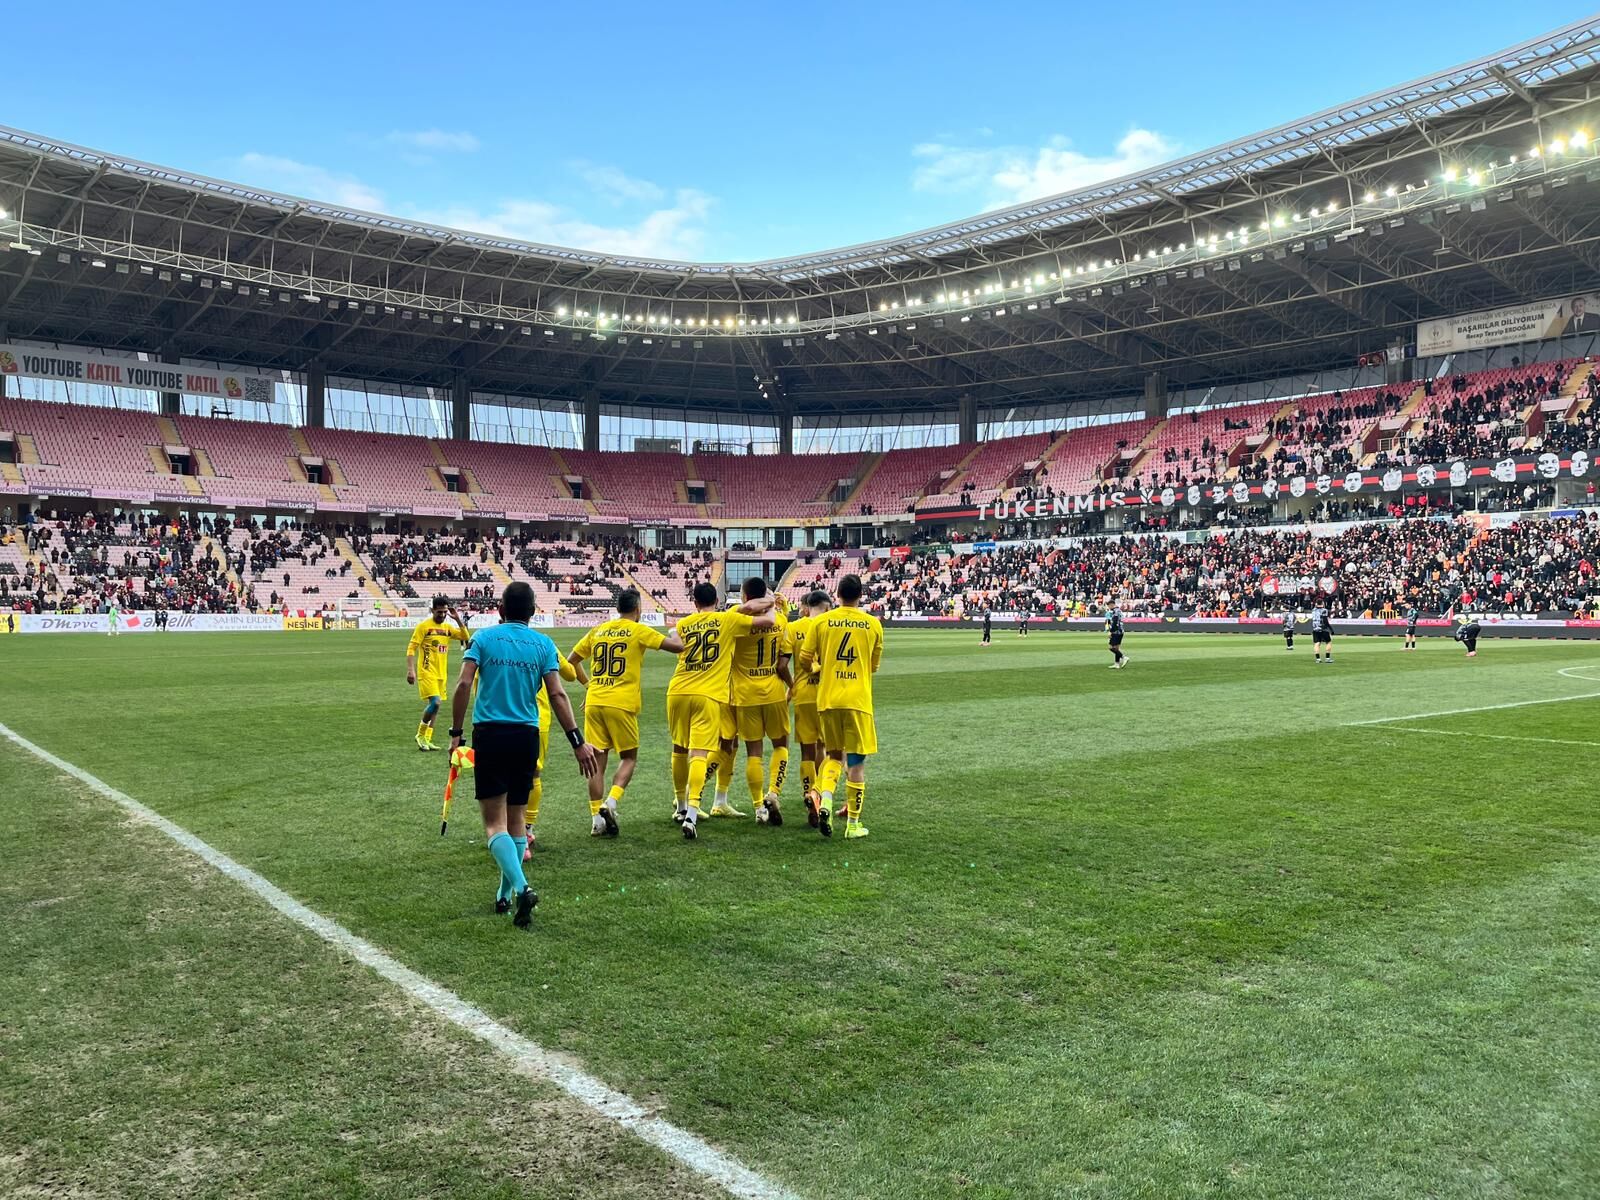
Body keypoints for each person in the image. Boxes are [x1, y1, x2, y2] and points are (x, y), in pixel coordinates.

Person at [446, 581, 596, 929]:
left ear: (500, 609)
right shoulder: (543, 644)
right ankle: (504, 896)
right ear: (532, 611)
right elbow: (558, 695)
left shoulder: (483, 638)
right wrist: (577, 741)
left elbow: (465, 684)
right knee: (516, 821)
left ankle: (523, 887)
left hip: (492, 733)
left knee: (492, 823)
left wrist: (456, 733)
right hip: (527, 736)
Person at [665, 581, 777, 840]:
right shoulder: (726, 620)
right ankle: (692, 813)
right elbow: (766, 622)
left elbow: (676, 641)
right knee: (699, 753)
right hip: (707, 694)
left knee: (679, 749)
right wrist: (771, 602)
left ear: (694, 603)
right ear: (717, 600)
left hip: (677, 690)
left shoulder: (684, 624)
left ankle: (680, 806)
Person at [567, 589, 682, 839]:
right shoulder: (638, 630)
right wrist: (674, 628)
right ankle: (612, 802)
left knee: (597, 761)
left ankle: (597, 820)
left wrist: (589, 686)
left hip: (595, 701)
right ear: (638, 607)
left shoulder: (598, 630)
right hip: (621, 702)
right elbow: (678, 647)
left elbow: (571, 661)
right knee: (629, 757)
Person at [798, 574, 883, 840]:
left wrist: (819, 668)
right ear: (861, 595)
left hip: (828, 699)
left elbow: (804, 659)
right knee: (855, 761)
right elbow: (873, 666)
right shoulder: (873, 625)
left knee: (833, 756)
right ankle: (854, 824)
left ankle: (824, 801)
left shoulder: (821, 621)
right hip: (858, 700)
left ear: (837, 594)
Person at [727, 577, 793, 826]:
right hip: (774, 692)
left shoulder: (736, 621)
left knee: (753, 751)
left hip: (745, 695)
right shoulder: (782, 621)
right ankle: (773, 793)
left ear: (744, 597)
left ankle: (758, 808)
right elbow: (783, 662)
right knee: (780, 745)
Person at [787, 590, 831, 827]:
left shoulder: (794, 628)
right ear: (826, 606)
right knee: (824, 747)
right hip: (826, 694)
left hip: (802, 693)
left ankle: (808, 793)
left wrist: (790, 687)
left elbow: (784, 662)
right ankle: (820, 792)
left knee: (806, 750)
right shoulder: (830, 625)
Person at [406, 596, 470, 751]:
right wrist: (410, 670)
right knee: (435, 702)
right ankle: (420, 735)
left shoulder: (447, 628)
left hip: (441, 674)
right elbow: (411, 648)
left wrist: (458, 620)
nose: (442, 615)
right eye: (439, 612)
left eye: (444, 612)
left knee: (435, 707)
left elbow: (465, 637)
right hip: (427, 671)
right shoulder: (424, 627)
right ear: (432, 610)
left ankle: (427, 739)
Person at [1105, 602, 1128, 669]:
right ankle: (1117, 664)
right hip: (1121, 631)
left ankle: (1124, 657)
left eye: (1109, 605)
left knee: (1111, 647)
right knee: (1116, 648)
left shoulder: (1115, 611)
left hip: (1116, 632)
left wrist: (1111, 632)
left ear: (1112, 604)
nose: (1108, 607)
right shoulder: (1119, 610)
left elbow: (1115, 623)